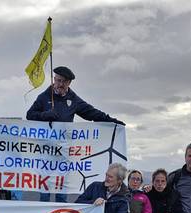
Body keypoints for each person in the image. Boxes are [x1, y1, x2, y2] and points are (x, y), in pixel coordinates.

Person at [26, 66, 125, 203]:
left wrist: (113, 122)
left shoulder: (73, 99)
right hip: (45, 150)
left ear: (69, 83)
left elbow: (92, 113)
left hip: (64, 151)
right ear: (54, 79)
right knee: (45, 187)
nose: (60, 84)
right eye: (58, 80)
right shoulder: (44, 97)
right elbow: (30, 115)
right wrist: (45, 115)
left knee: (61, 188)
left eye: (64, 81)